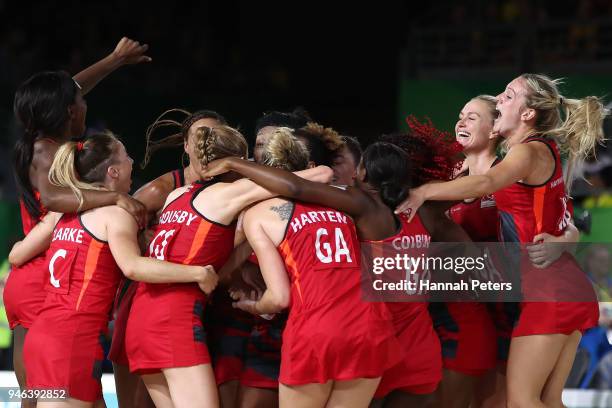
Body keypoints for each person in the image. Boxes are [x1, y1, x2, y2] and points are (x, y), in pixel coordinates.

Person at [200, 133, 474, 407]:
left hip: (337, 329)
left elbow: (296, 188)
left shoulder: (356, 205)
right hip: (386, 335)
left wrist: (233, 164)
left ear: (363, 171)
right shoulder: (416, 213)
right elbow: (475, 262)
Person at [396, 74, 606, 407]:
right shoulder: (484, 167)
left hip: (541, 293)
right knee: (548, 400)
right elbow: (560, 220)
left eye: (507, 95)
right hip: (538, 292)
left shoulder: (522, 156)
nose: (499, 98)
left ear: (526, 114)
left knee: (521, 401)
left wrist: (422, 192)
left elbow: (487, 185)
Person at [125, 125, 332, 408]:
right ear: (238, 159)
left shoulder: (177, 196)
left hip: (141, 320)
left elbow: (209, 250)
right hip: (174, 319)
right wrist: (241, 166)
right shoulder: (227, 194)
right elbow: (321, 175)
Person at [8, 131, 218, 407]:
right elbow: (132, 267)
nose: (132, 161)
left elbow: (15, 254)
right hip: (72, 341)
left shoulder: (63, 212)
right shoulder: (116, 215)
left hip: (43, 335)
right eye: (127, 156)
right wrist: (198, 273)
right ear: (113, 171)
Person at [7, 37, 150, 404]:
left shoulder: (48, 139)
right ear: (68, 112)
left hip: (43, 274)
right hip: (45, 279)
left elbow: (69, 89)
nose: (83, 101)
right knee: (41, 395)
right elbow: (56, 198)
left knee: (48, 394)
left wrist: (114, 60)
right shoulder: (47, 150)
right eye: (79, 102)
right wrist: (117, 196)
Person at [108, 108, 227, 408]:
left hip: (199, 300)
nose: (206, 144)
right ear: (186, 146)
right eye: (199, 137)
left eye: (212, 137)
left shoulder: (228, 183)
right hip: (151, 294)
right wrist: (142, 240)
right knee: (137, 401)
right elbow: (118, 221)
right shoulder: (164, 188)